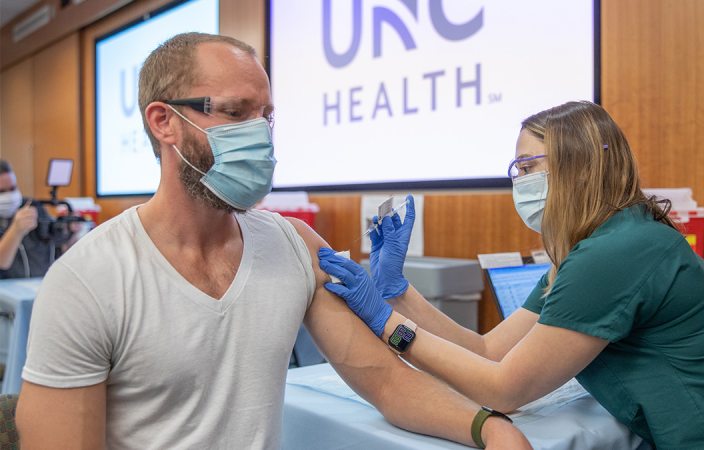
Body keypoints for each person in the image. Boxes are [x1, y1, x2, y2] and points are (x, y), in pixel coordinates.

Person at [14, 33, 530, 449]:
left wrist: (489, 427)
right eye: (237, 114)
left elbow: (388, 383)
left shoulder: (294, 245)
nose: (260, 135)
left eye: (266, 116)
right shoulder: (89, 280)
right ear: (164, 121)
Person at [320, 101, 704, 449]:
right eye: (516, 168)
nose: (519, 181)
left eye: (530, 166)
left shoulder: (615, 254)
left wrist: (386, 324)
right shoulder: (593, 247)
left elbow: (505, 389)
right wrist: (397, 293)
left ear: (583, 168)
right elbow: (490, 351)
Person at [0, 160, 69, 279]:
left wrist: (71, 232)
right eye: (1, 191)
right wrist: (16, 230)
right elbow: (2, 263)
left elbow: (57, 248)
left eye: (13, 188)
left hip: (40, 285)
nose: (9, 196)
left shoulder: (31, 207)